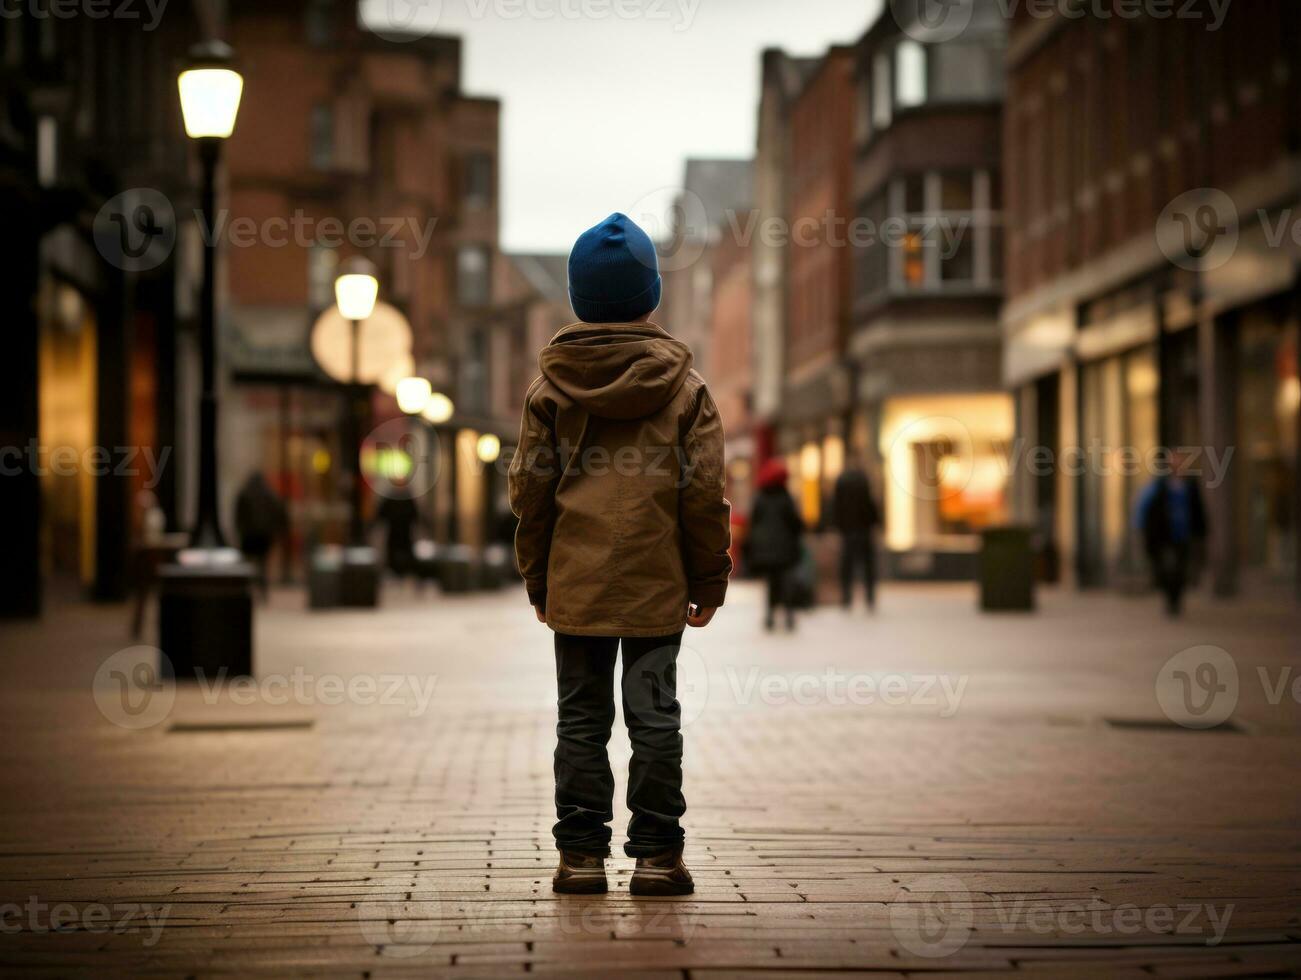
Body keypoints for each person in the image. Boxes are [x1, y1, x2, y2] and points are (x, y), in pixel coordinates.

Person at [509, 213, 731, 898]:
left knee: (580, 719)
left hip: (576, 584)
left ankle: (579, 858)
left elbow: (530, 494)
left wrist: (538, 579)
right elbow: (703, 497)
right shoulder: (685, 390)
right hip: (654, 585)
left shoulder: (549, 390)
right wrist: (708, 581)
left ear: (579, 296)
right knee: (653, 716)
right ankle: (658, 857)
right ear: (649, 295)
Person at [1134, 449, 1207, 617]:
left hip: (1183, 533)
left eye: (1180, 460)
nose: (1178, 464)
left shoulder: (1190, 485)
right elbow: (1146, 509)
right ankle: (1169, 597)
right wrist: (1142, 528)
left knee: (1181, 569)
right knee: (1165, 568)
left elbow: (1198, 510)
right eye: (1175, 460)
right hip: (1163, 535)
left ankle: (1176, 599)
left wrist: (1201, 532)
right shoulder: (1159, 485)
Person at [747, 459, 804, 631]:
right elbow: (795, 522)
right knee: (786, 581)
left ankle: (770, 615)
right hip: (784, 547)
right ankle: (788, 615)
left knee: (771, 582)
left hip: (765, 548)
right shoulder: (785, 497)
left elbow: (754, 521)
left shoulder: (760, 497)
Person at [831, 454, 881, 611]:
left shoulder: (842, 480)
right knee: (867, 564)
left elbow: (836, 506)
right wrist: (875, 522)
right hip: (863, 528)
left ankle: (847, 596)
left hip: (848, 529)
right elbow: (869, 504)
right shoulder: (862, 479)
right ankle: (869, 596)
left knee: (848, 564)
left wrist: (837, 525)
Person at [234, 471, 286, 598]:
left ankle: (250, 589)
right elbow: (279, 514)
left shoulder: (245, 494)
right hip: (264, 536)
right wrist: (276, 531)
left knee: (249, 564)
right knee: (262, 565)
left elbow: (238, 516)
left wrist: (241, 531)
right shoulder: (269, 495)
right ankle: (262, 589)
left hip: (249, 536)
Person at [374, 494, 421, 579]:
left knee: (405, 559)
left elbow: (416, 517)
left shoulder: (408, 500)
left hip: (404, 536)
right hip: (395, 536)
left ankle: (403, 573)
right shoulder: (392, 499)